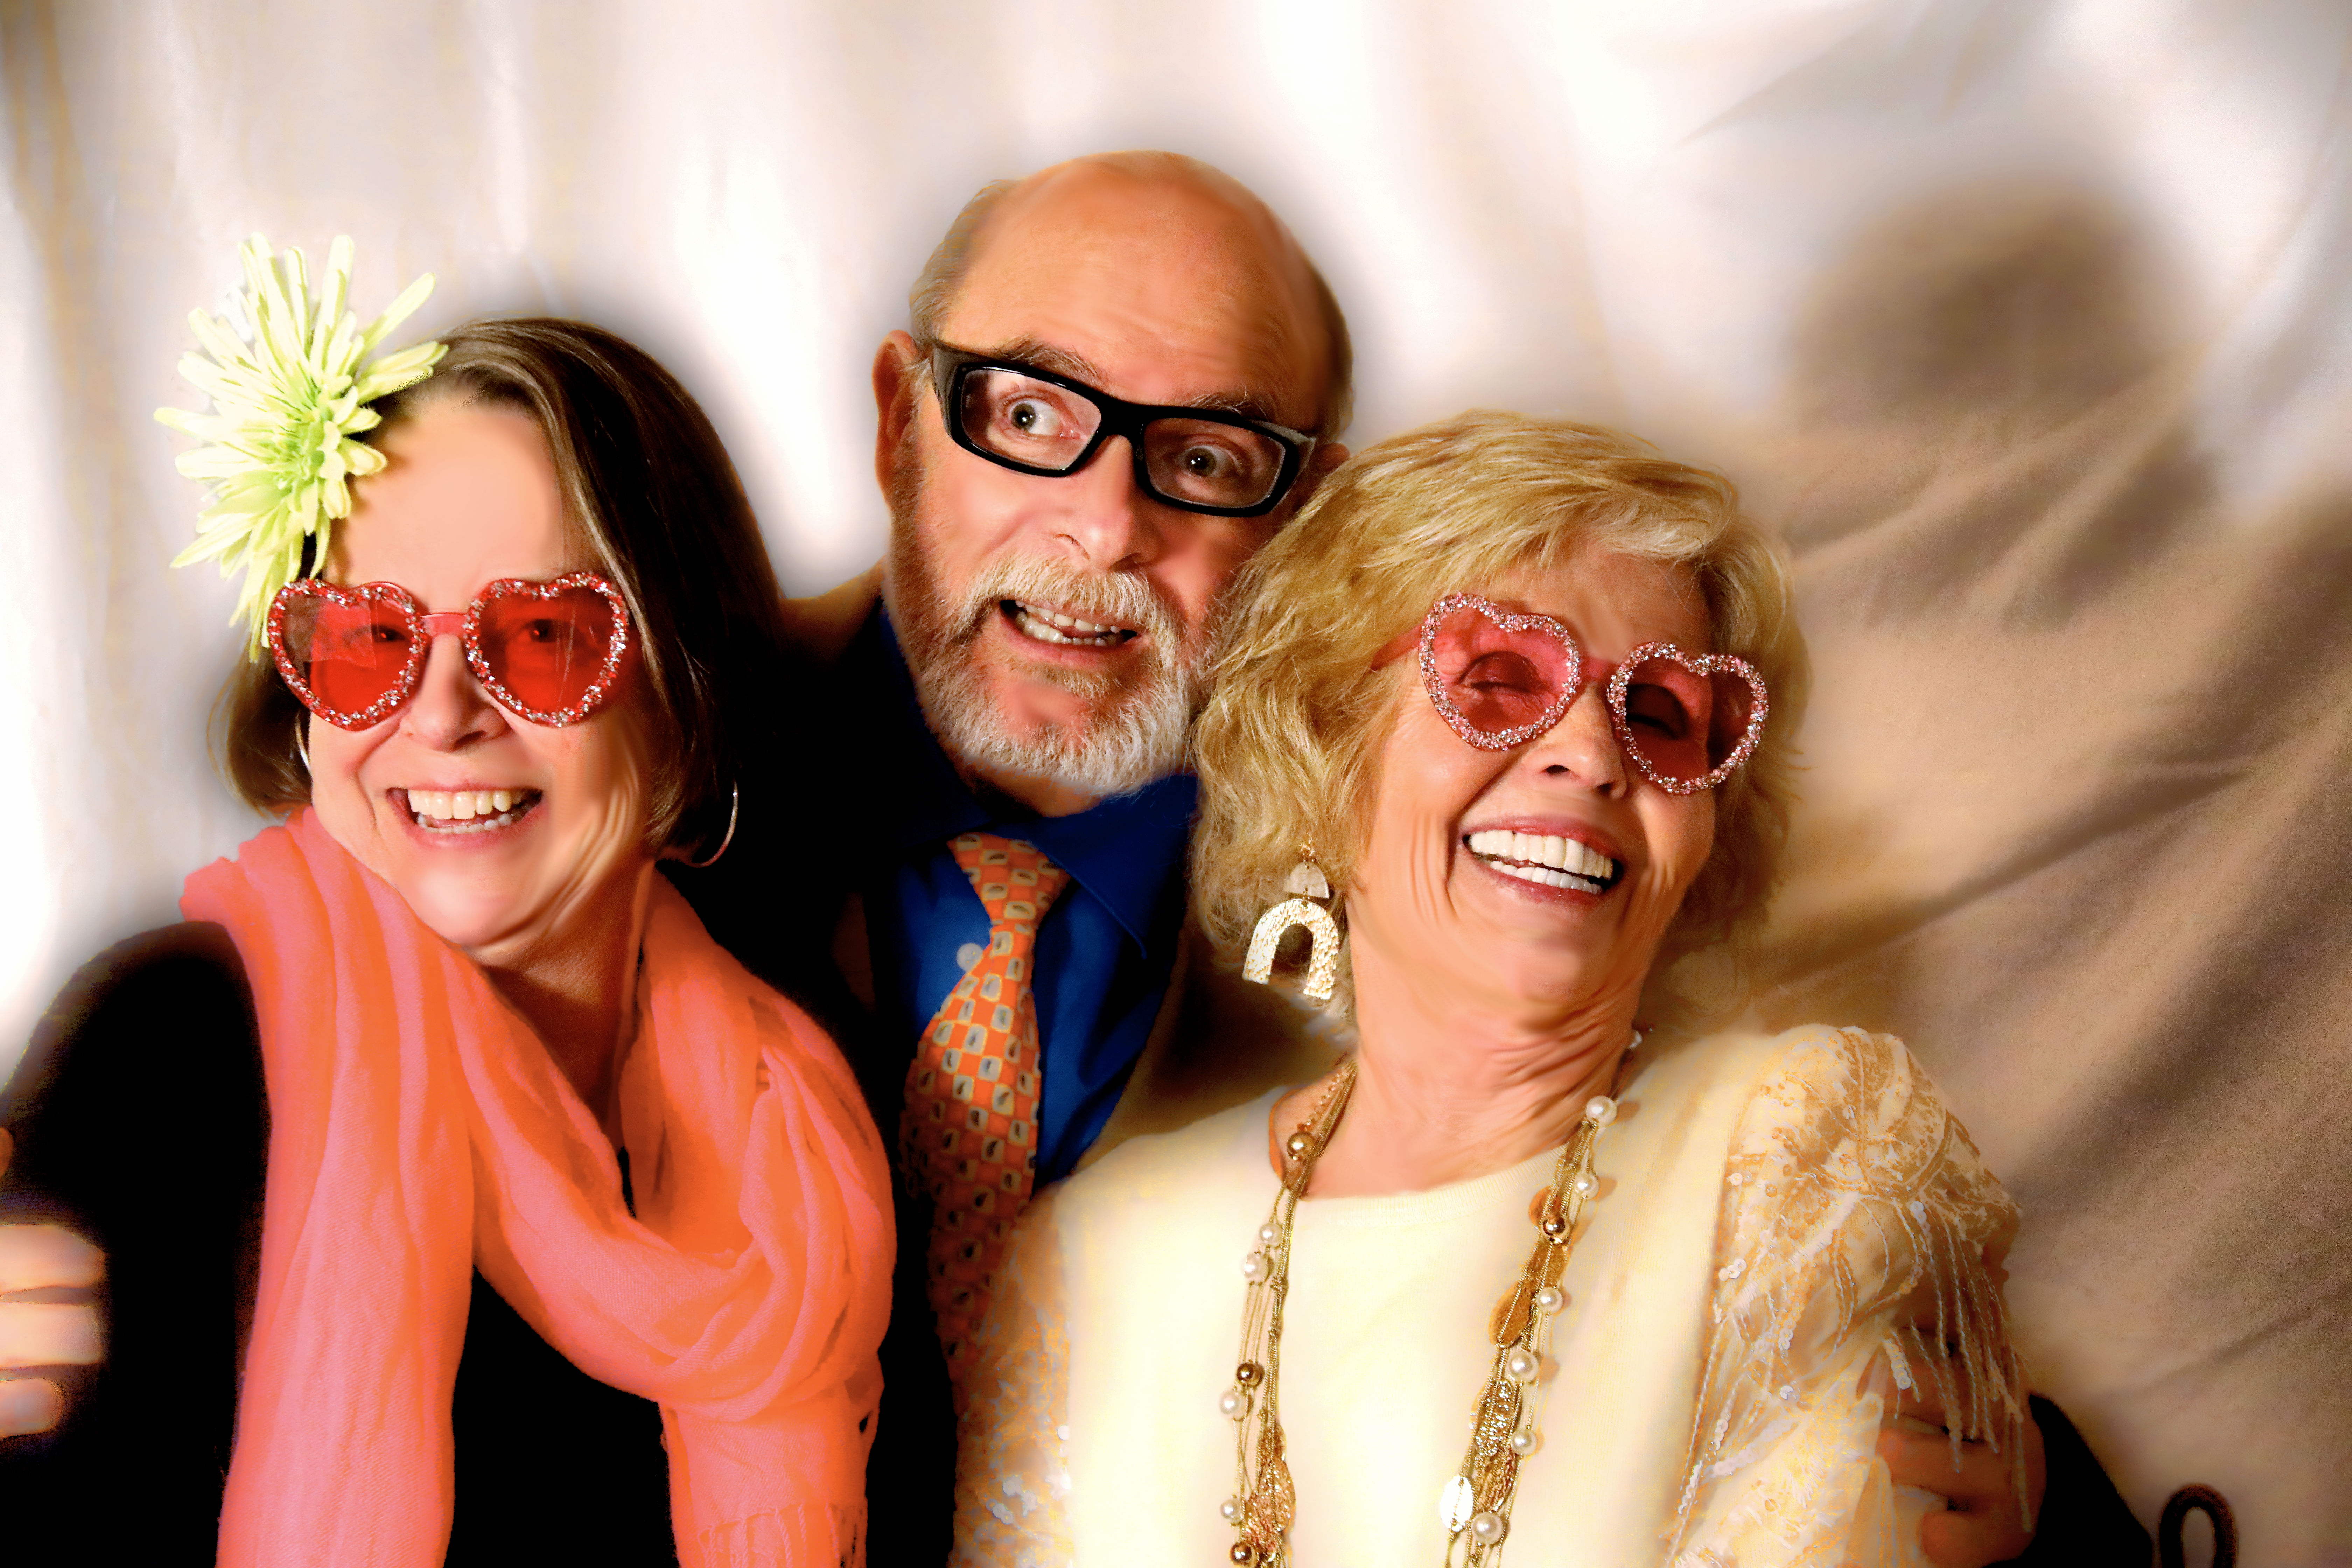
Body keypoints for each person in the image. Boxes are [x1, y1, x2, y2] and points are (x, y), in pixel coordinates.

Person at [948, 412, 2136, 1565]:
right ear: (1324, 755)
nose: (1593, 753)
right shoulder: (1093, 1255)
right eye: (1502, 678)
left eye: (1664, 715)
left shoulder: (1800, 1148)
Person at [0, 262, 892, 1567]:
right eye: (369, 638)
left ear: (685, 694)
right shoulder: (165, 1046)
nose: (440, 712)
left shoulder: (809, 1092)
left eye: (545, 636)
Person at [681, 149, 1356, 1560]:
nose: (1105, 529)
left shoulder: (1403, 878)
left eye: (1208, 460)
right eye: (1032, 412)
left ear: (1308, 521)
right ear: (899, 424)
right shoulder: (653, 767)